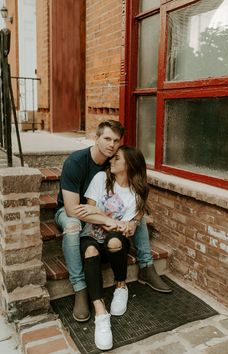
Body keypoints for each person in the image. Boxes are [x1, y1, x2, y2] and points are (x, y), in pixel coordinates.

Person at [54, 120, 171, 322]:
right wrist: (114, 222)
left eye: (116, 141)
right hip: (70, 210)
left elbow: (134, 202)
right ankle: (80, 289)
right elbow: (73, 210)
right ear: (96, 138)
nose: (112, 145)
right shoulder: (76, 162)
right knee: (73, 226)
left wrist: (129, 223)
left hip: (98, 211)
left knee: (136, 219)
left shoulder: (111, 168)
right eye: (107, 138)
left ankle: (146, 267)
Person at [77, 145, 150, 350]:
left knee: (115, 241)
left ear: (129, 165)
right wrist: (112, 222)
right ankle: (101, 314)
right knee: (91, 250)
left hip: (114, 244)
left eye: (117, 159)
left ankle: (121, 286)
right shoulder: (101, 179)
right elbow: (86, 212)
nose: (111, 160)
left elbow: (127, 229)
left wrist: (120, 224)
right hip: (91, 236)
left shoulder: (136, 194)